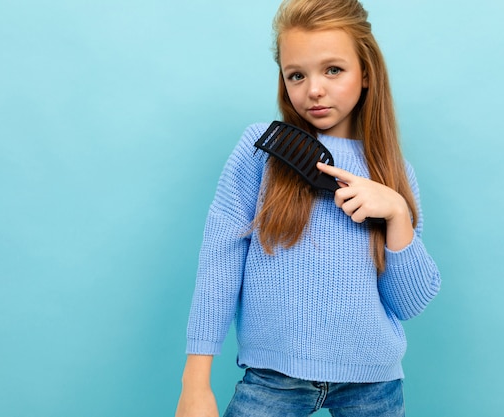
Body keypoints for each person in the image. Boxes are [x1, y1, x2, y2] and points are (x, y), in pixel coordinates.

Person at [175, 0, 441, 415]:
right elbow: (219, 261)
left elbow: (409, 303)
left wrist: (397, 214)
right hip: (272, 379)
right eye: (296, 75)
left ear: (366, 71)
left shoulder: (393, 171)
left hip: (374, 382)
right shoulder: (262, 150)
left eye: (333, 70)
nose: (313, 89)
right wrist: (195, 383)